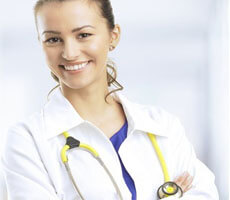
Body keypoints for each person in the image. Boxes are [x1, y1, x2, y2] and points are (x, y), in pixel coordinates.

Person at [1, 0, 219, 199]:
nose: (69, 52)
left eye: (83, 35)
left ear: (113, 36)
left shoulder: (163, 126)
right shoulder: (28, 140)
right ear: (41, 44)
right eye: (53, 39)